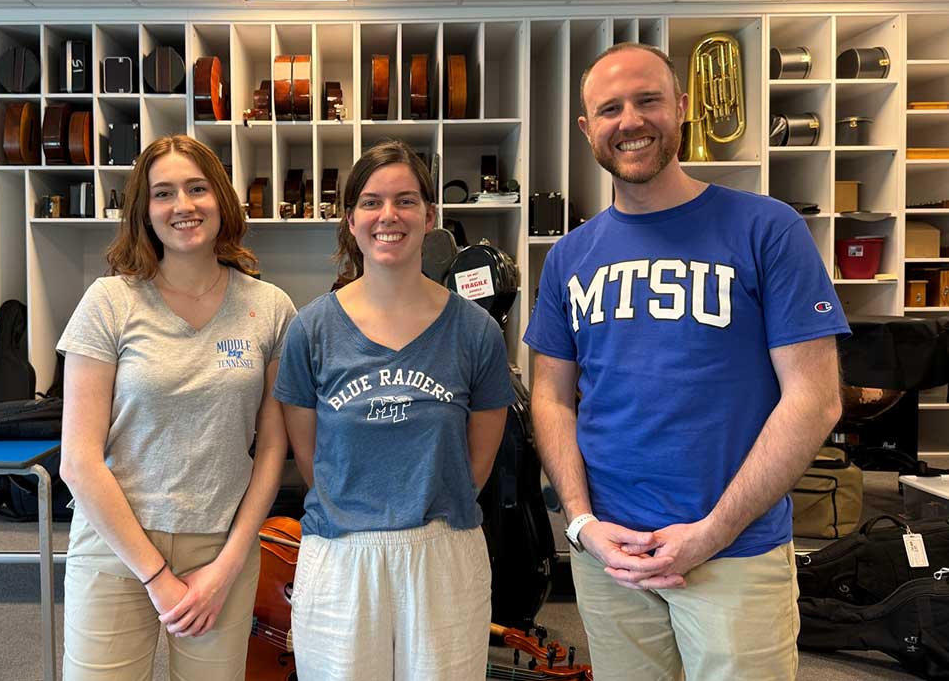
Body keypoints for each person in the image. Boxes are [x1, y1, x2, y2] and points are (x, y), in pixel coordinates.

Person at [525, 42, 848, 681]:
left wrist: (712, 532)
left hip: (734, 552)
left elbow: (815, 398)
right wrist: (583, 524)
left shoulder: (767, 229)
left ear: (682, 106)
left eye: (648, 100)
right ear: (588, 129)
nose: (631, 121)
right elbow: (552, 397)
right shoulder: (569, 257)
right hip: (610, 556)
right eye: (610, 108)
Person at [57, 134, 296, 681]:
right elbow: (78, 460)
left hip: (222, 549)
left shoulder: (270, 308)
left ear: (222, 200)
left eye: (197, 188)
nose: (183, 206)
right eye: (163, 193)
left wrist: (231, 563)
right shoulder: (108, 302)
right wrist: (156, 576)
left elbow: (273, 448)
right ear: (144, 210)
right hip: (115, 545)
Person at [273, 140, 515, 681]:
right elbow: (310, 460)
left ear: (431, 216)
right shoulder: (311, 330)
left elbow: (476, 464)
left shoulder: (475, 331)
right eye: (372, 202)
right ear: (351, 219)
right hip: (340, 556)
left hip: (443, 553)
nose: (389, 216)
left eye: (406, 201)